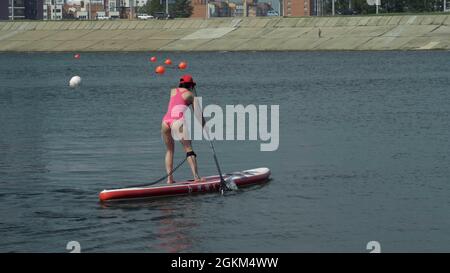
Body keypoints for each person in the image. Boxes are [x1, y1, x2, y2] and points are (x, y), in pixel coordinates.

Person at [161, 75, 205, 184]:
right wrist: (205, 127)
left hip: (165, 122)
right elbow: (198, 115)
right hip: (178, 122)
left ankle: (169, 179)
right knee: (189, 149)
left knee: (169, 150)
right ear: (191, 85)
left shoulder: (173, 91)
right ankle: (196, 178)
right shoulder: (191, 96)